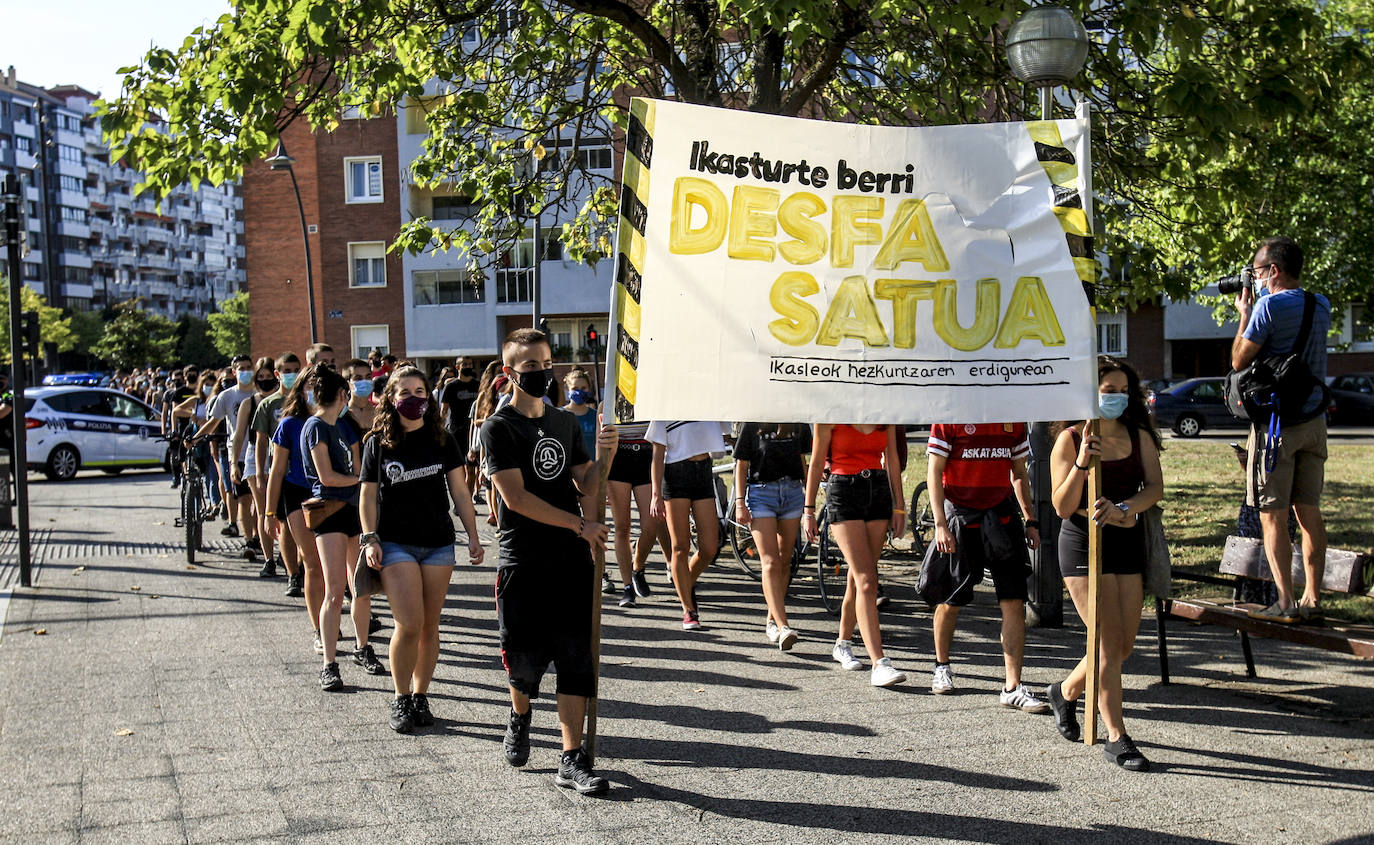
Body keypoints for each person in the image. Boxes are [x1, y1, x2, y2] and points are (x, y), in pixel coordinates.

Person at [481, 328, 617, 796]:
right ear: (509, 373)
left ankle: (571, 757)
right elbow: (515, 499)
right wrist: (581, 526)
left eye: (546, 364)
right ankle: (520, 714)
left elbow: (587, 486)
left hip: (569, 562)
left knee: (576, 660)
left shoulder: (563, 422)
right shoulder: (497, 428)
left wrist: (606, 455)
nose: (542, 373)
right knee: (524, 663)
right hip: (523, 562)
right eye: (530, 367)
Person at [1049, 357, 1165, 771]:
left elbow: (1155, 487)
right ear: (1088, 392)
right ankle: (1116, 735)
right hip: (1082, 544)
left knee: (1124, 645)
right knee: (1105, 645)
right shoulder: (1070, 437)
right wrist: (1082, 462)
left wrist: (1125, 508)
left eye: (1120, 390)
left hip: (1125, 538)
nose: (1113, 397)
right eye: (1105, 390)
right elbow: (1062, 507)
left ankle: (1063, 691)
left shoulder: (1139, 435)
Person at [360, 367, 484, 732]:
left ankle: (420, 695)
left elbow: (460, 492)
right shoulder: (377, 443)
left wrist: (473, 535)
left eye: (421, 391)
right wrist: (370, 537)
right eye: (406, 392)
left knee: (430, 626)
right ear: (392, 398)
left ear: (429, 397)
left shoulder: (442, 439)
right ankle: (400, 697)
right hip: (395, 542)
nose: (414, 398)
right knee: (409, 623)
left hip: (438, 544)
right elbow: (367, 495)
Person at [1231, 236, 1331, 624]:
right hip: (1314, 422)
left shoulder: (1268, 306)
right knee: (1309, 512)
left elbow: (1240, 359)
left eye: (1256, 272)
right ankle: (1313, 598)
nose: (1254, 279)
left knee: (1272, 514)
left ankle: (1286, 602)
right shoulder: (1319, 303)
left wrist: (1245, 313)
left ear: (1273, 271)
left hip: (1276, 428)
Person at [923, 421, 1047, 710]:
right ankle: (941, 665)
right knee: (951, 599)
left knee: (1014, 601)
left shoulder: (1011, 418)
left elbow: (1018, 473)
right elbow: (934, 470)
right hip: (960, 516)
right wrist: (940, 524)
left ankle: (1012, 686)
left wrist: (1030, 519)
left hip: (1002, 517)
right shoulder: (949, 417)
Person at [804, 424, 907, 687]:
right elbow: (816, 462)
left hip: (878, 488)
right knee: (867, 580)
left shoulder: (884, 409)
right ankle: (880, 663)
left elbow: (892, 458)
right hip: (843, 490)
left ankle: (842, 643)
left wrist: (900, 507)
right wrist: (808, 510)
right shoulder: (831, 414)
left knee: (859, 576)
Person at [297, 364, 380, 691]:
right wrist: (363, 482)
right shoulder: (315, 426)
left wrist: (363, 485)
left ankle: (362, 647)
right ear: (342, 394)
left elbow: (359, 467)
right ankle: (329, 664)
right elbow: (327, 477)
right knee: (334, 591)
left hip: (353, 510)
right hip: (330, 511)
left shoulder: (347, 425)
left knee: (360, 586)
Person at [647, 421, 731, 630]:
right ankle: (688, 609)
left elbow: (727, 431)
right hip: (675, 473)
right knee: (680, 547)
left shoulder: (705, 399)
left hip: (702, 471)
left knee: (710, 548)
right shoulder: (665, 406)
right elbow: (657, 454)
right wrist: (656, 494)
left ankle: (685, 582)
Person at [734, 422, 810, 650]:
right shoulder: (754, 421)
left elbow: (804, 460)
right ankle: (784, 625)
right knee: (770, 561)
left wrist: (810, 503)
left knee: (785, 561)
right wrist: (739, 502)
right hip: (761, 493)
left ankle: (771, 620)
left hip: (793, 492)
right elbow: (741, 464)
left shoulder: (797, 420)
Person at [254, 353, 304, 596]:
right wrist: (261, 472)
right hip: (281, 471)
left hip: (307, 471)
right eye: (287, 370)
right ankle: (293, 573)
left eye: (296, 369)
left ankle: (305, 566)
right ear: (278, 373)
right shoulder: (268, 404)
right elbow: (261, 442)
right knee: (285, 525)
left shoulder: (308, 401)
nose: (291, 374)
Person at [606, 418, 669, 609]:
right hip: (617, 461)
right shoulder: (608, 402)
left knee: (651, 525)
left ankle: (638, 566)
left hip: (645, 459)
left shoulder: (649, 399)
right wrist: (603, 476)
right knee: (622, 527)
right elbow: (600, 443)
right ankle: (627, 588)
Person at [233, 357, 280, 577]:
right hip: (255, 455)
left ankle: (287, 554)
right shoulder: (249, 403)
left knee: (283, 510)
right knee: (264, 510)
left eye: (268, 376)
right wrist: (235, 463)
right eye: (260, 377)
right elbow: (239, 435)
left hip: (283, 453)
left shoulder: (286, 400)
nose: (264, 380)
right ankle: (269, 558)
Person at [438, 356, 481, 503]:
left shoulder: (478, 385)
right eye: (465, 364)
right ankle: (459, 500)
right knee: (459, 470)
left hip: (473, 432)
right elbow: (444, 410)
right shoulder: (451, 386)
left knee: (472, 469)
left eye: (470, 364)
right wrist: (440, 431)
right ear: (458, 367)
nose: (468, 366)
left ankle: (467, 501)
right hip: (456, 431)